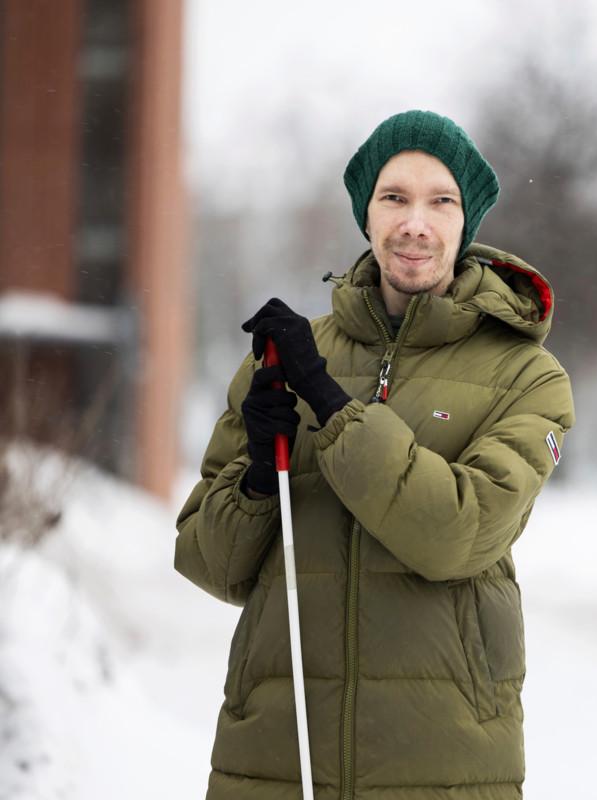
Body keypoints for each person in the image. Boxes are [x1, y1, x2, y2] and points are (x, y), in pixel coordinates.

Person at [175, 109, 574, 799]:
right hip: (275, 761)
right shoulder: (283, 359)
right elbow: (209, 564)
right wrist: (258, 486)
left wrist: (332, 407)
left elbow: (456, 534)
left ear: (465, 222)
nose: (415, 222)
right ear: (367, 216)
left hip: (445, 768)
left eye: (440, 201)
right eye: (394, 198)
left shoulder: (527, 378)